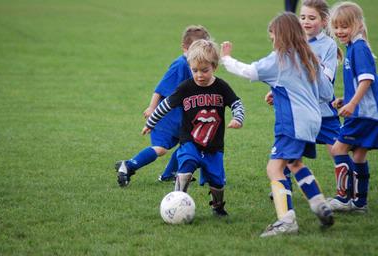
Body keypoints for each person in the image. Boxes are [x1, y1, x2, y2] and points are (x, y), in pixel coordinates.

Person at [221, 12, 334, 237]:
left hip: (292, 122)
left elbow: (249, 71)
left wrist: (226, 58)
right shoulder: (309, 57)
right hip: (313, 120)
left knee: (274, 168)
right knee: (294, 163)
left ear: (280, 35)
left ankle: (286, 221)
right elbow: (327, 92)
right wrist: (284, 92)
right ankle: (320, 204)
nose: (271, 40)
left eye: (272, 35)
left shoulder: (279, 59)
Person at [143, 39, 245, 216]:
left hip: (214, 145)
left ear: (214, 67)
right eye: (194, 70)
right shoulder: (186, 88)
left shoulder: (221, 86)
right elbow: (166, 104)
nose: (199, 75)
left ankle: (218, 206)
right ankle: (177, 201)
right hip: (190, 140)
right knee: (187, 163)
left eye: (204, 70)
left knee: (217, 180)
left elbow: (237, 103)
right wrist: (151, 122)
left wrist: (238, 118)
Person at [115, 25, 211, 187]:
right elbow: (161, 88)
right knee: (160, 149)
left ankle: (169, 174)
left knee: (190, 145)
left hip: (183, 118)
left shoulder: (199, 67)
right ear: (185, 48)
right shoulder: (179, 65)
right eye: (196, 51)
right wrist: (152, 107)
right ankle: (128, 165)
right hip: (167, 117)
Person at [266, 0, 341, 198]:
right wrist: (277, 91)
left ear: (324, 21)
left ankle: (347, 194)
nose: (306, 21)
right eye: (303, 17)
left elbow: (327, 81)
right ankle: (284, 188)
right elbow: (287, 74)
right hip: (298, 112)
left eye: (311, 18)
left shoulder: (329, 46)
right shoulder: (296, 42)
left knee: (338, 150)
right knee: (289, 153)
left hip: (324, 111)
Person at [327, 1, 378, 213]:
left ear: (357, 24)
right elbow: (359, 82)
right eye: (336, 27)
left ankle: (342, 197)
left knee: (338, 149)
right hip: (366, 113)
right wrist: (344, 99)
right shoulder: (352, 47)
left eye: (344, 26)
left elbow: (367, 80)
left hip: (362, 114)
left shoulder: (359, 48)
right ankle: (359, 203)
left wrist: (353, 103)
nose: (339, 31)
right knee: (358, 155)